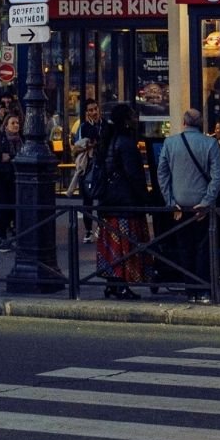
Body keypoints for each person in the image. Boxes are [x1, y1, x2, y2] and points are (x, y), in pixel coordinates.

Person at [156, 108, 220, 303]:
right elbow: (217, 177)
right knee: (204, 248)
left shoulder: (170, 143)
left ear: (184, 123)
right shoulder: (210, 143)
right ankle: (203, 290)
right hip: (202, 207)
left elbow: (162, 174)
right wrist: (206, 202)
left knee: (185, 248)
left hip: (180, 207)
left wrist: (170, 201)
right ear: (200, 124)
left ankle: (190, 290)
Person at [94, 104, 151, 300]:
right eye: (133, 116)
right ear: (126, 120)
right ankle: (121, 285)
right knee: (125, 246)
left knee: (114, 246)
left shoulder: (108, 140)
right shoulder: (126, 143)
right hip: (125, 202)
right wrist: (145, 198)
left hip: (108, 202)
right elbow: (134, 175)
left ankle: (113, 283)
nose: (136, 120)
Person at [0, 111, 23, 250]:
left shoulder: (21, 140)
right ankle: (1, 236)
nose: (16, 126)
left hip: (16, 177)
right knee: (3, 207)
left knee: (14, 207)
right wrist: (0, 156)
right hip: (1, 176)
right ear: (6, 126)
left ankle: (11, 235)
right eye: (12, 123)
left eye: (17, 123)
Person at [72, 98, 103, 243]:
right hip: (88, 166)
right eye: (91, 110)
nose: (94, 112)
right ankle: (88, 230)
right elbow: (75, 148)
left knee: (103, 198)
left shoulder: (104, 125)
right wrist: (88, 146)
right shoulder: (83, 127)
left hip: (101, 165)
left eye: (95, 109)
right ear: (86, 112)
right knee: (87, 200)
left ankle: (101, 227)